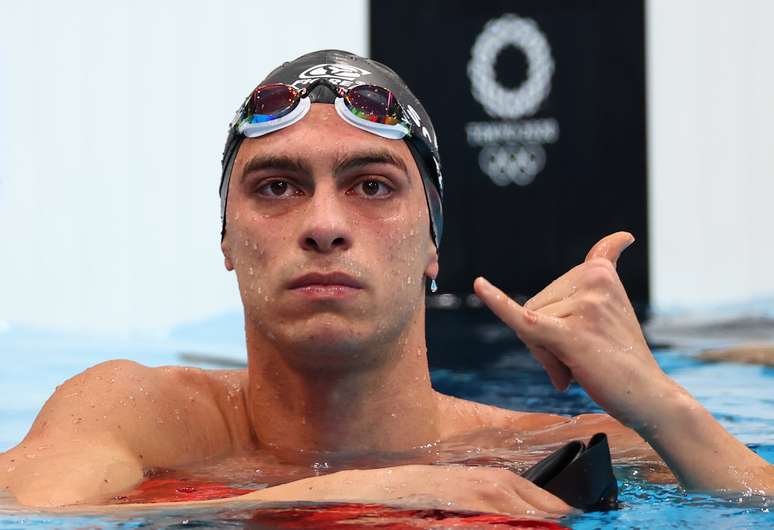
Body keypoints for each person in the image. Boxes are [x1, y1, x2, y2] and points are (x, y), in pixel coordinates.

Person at [1, 50, 771, 515]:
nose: (324, 223)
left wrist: (662, 401)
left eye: (372, 186)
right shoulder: (132, 415)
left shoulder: (535, 447)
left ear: (433, 242)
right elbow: (30, 516)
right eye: (276, 187)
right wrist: (358, 495)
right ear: (226, 240)